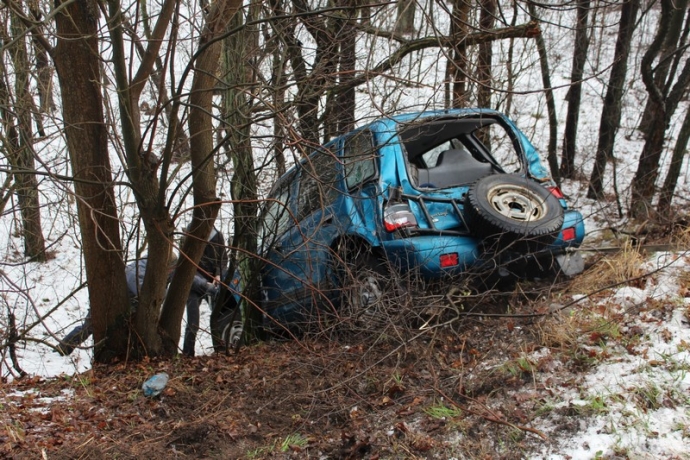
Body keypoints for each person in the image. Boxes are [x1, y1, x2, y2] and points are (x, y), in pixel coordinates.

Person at [56, 253, 178, 356]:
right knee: (90, 326)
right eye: (171, 269)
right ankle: (63, 348)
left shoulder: (147, 267)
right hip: (107, 302)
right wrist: (162, 291)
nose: (171, 272)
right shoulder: (138, 270)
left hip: (121, 303)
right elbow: (143, 293)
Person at [182, 225, 229, 356]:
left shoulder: (218, 235)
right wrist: (204, 284)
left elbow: (223, 258)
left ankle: (219, 349)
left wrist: (219, 274)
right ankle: (188, 354)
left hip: (213, 281)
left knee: (217, 316)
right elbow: (186, 266)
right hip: (195, 284)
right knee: (193, 322)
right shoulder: (189, 234)